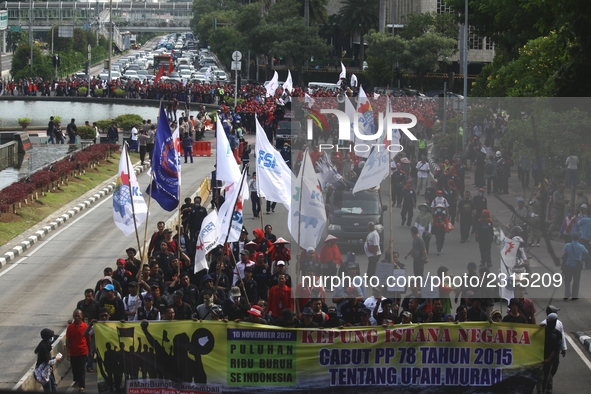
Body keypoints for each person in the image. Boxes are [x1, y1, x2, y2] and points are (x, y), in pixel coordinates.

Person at [537, 313, 562, 394]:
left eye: (550, 321)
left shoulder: (557, 334)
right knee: (539, 377)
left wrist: (549, 359)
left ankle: (545, 389)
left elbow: (556, 349)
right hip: (540, 357)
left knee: (547, 377)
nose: (548, 322)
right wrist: (537, 328)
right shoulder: (543, 329)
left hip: (550, 359)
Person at [66, 309, 88, 393]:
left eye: (78, 315)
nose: (77, 317)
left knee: (82, 369)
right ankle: (77, 380)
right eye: (75, 315)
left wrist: (89, 351)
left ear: (82, 316)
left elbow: (88, 339)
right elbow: (68, 340)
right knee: (74, 368)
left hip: (82, 351)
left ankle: (82, 386)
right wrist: (67, 352)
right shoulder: (70, 327)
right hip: (73, 352)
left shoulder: (85, 326)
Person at [561, 232, 588, 300]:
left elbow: (563, 252)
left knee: (567, 280)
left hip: (568, 265)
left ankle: (567, 293)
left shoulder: (567, 245)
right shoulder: (581, 246)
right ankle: (574, 296)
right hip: (577, 266)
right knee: (576, 281)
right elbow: (586, 252)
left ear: (571, 237)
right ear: (578, 238)